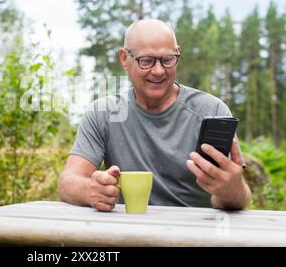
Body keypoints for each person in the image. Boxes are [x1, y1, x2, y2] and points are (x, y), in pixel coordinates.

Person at [58, 19, 252, 211]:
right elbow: (68, 181)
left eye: (167, 59)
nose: (158, 71)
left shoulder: (212, 111)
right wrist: (90, 191)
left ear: (178, 54)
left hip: (194, 235)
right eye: (146, 61)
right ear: (124, 58)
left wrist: (232, 191)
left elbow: (230, 199)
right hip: (127, 233)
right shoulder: (103, 113)